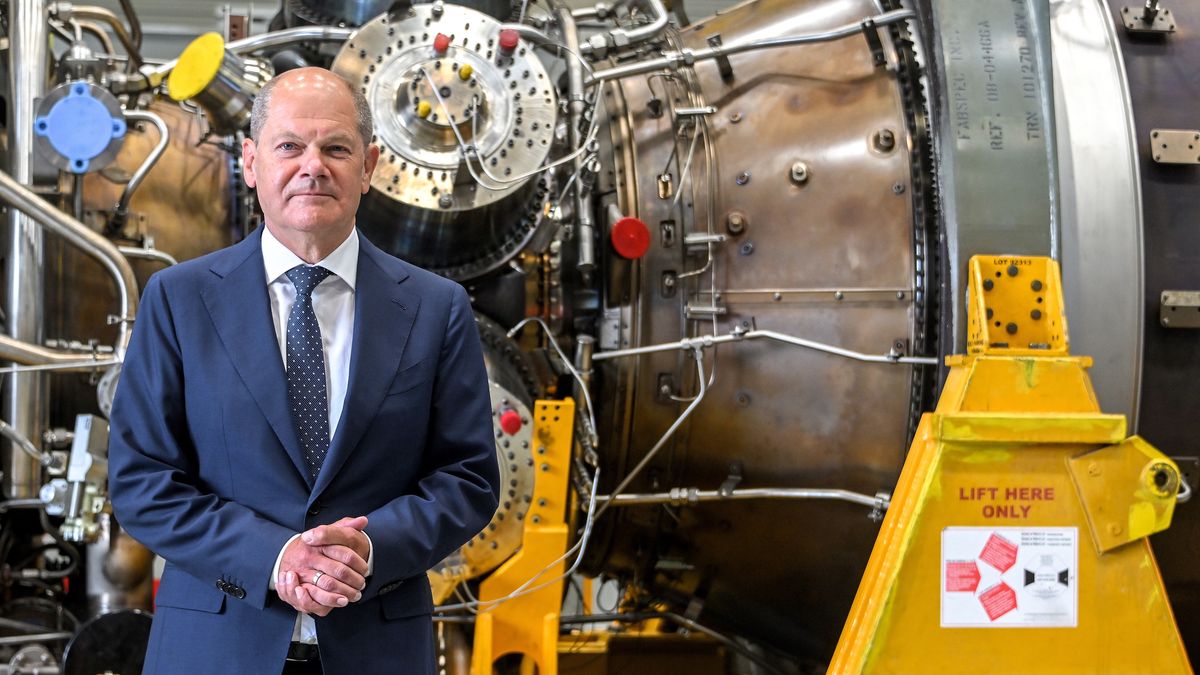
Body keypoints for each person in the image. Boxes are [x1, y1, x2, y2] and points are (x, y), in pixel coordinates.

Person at [108, 67, 500, 675]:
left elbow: (467, 478)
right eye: (289, 145)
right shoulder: (178, 300)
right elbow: (143, 481)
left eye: (336, 148)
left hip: (378, 651)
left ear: (368, 166)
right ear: (250, 161)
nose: (312, 165)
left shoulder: (434, 307)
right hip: (216, 649)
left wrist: (367, 550)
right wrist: (278, 556)